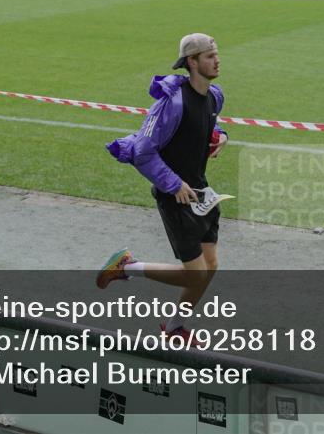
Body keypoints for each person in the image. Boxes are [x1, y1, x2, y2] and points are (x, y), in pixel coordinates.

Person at [98, 33, 228, 340]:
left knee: (210, 267)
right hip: (176, 196)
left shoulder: (214, 95)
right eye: (209, 56)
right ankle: (126, 266)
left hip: (201, 193)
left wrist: (221, 136)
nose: (217, 60)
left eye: (216, 54)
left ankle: (174, 328)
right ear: (192, 62)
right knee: (195, 273)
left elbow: (211, 122)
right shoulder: (172, 103)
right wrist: (173, 183)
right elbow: (142, 150)